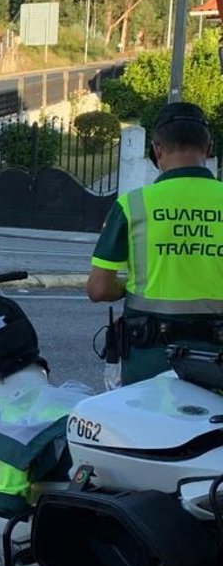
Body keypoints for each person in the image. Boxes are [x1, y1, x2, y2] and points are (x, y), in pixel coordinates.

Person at [86, 100, 223, 384]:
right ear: (209, 148)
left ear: (157, 150)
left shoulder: (132, 205)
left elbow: (98, 289)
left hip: (149, 361)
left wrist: (131, 284)